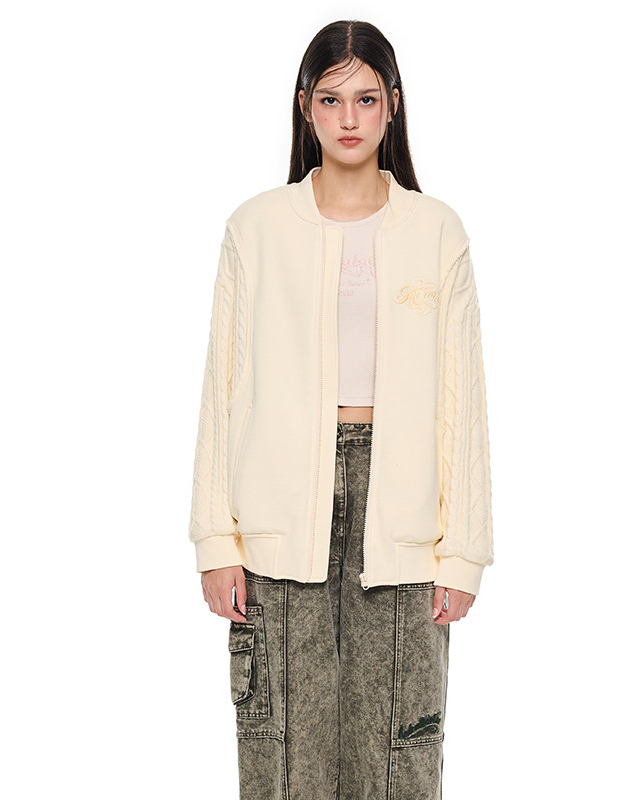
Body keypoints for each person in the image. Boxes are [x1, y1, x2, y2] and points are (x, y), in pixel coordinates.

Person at [188, 19, 494, 800]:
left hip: (402, 516)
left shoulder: (436, 231)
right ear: (305, 107)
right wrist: (215, 540)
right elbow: (223, 387)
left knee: (398, 755)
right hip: (280, 507)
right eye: (330, 99)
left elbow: (462, 401)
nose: (349, 118)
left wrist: (464, 551)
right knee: (284, 756)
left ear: (393, 104)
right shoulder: (256, 228)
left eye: (365, 98)